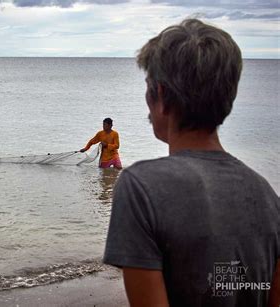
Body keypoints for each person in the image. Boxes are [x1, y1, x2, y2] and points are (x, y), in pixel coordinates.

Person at [103, 19, 279, 307]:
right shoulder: (269, 198)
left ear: (160, 94)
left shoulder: (141, 188)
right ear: (228, 96)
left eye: (148, 87)